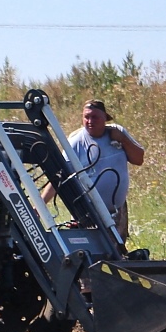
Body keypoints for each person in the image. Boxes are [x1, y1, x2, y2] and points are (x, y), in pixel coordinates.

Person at [42, 98, 144, 241]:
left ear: (104, 119)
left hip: (117, 211)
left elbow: (139, 159)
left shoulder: (117, 133)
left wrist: (123, 139)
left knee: (118, 252)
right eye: (86, 117)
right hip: (89, 213)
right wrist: (40, 205)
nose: (90, 121)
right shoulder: (76, 143)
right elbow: (60, 176)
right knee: (94, 252)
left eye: (94, 117)